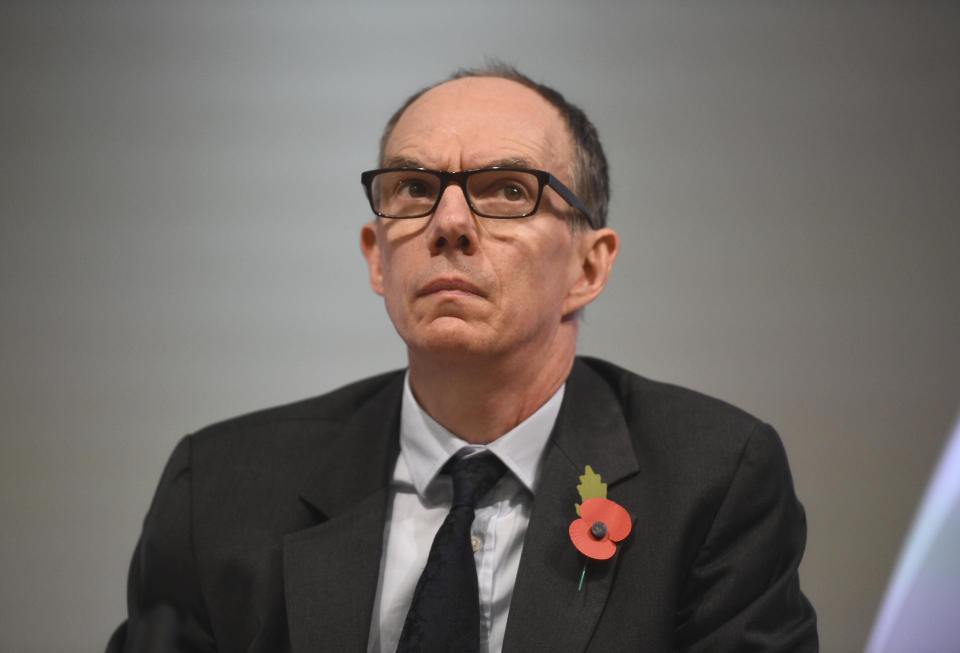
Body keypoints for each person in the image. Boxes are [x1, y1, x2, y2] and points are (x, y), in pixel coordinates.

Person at [108, 64, 817, 652]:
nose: (449, 224)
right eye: (414, 189)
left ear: (589, 267)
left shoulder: (714, 481)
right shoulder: (223, 486)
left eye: (508, 191)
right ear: (377, 256)